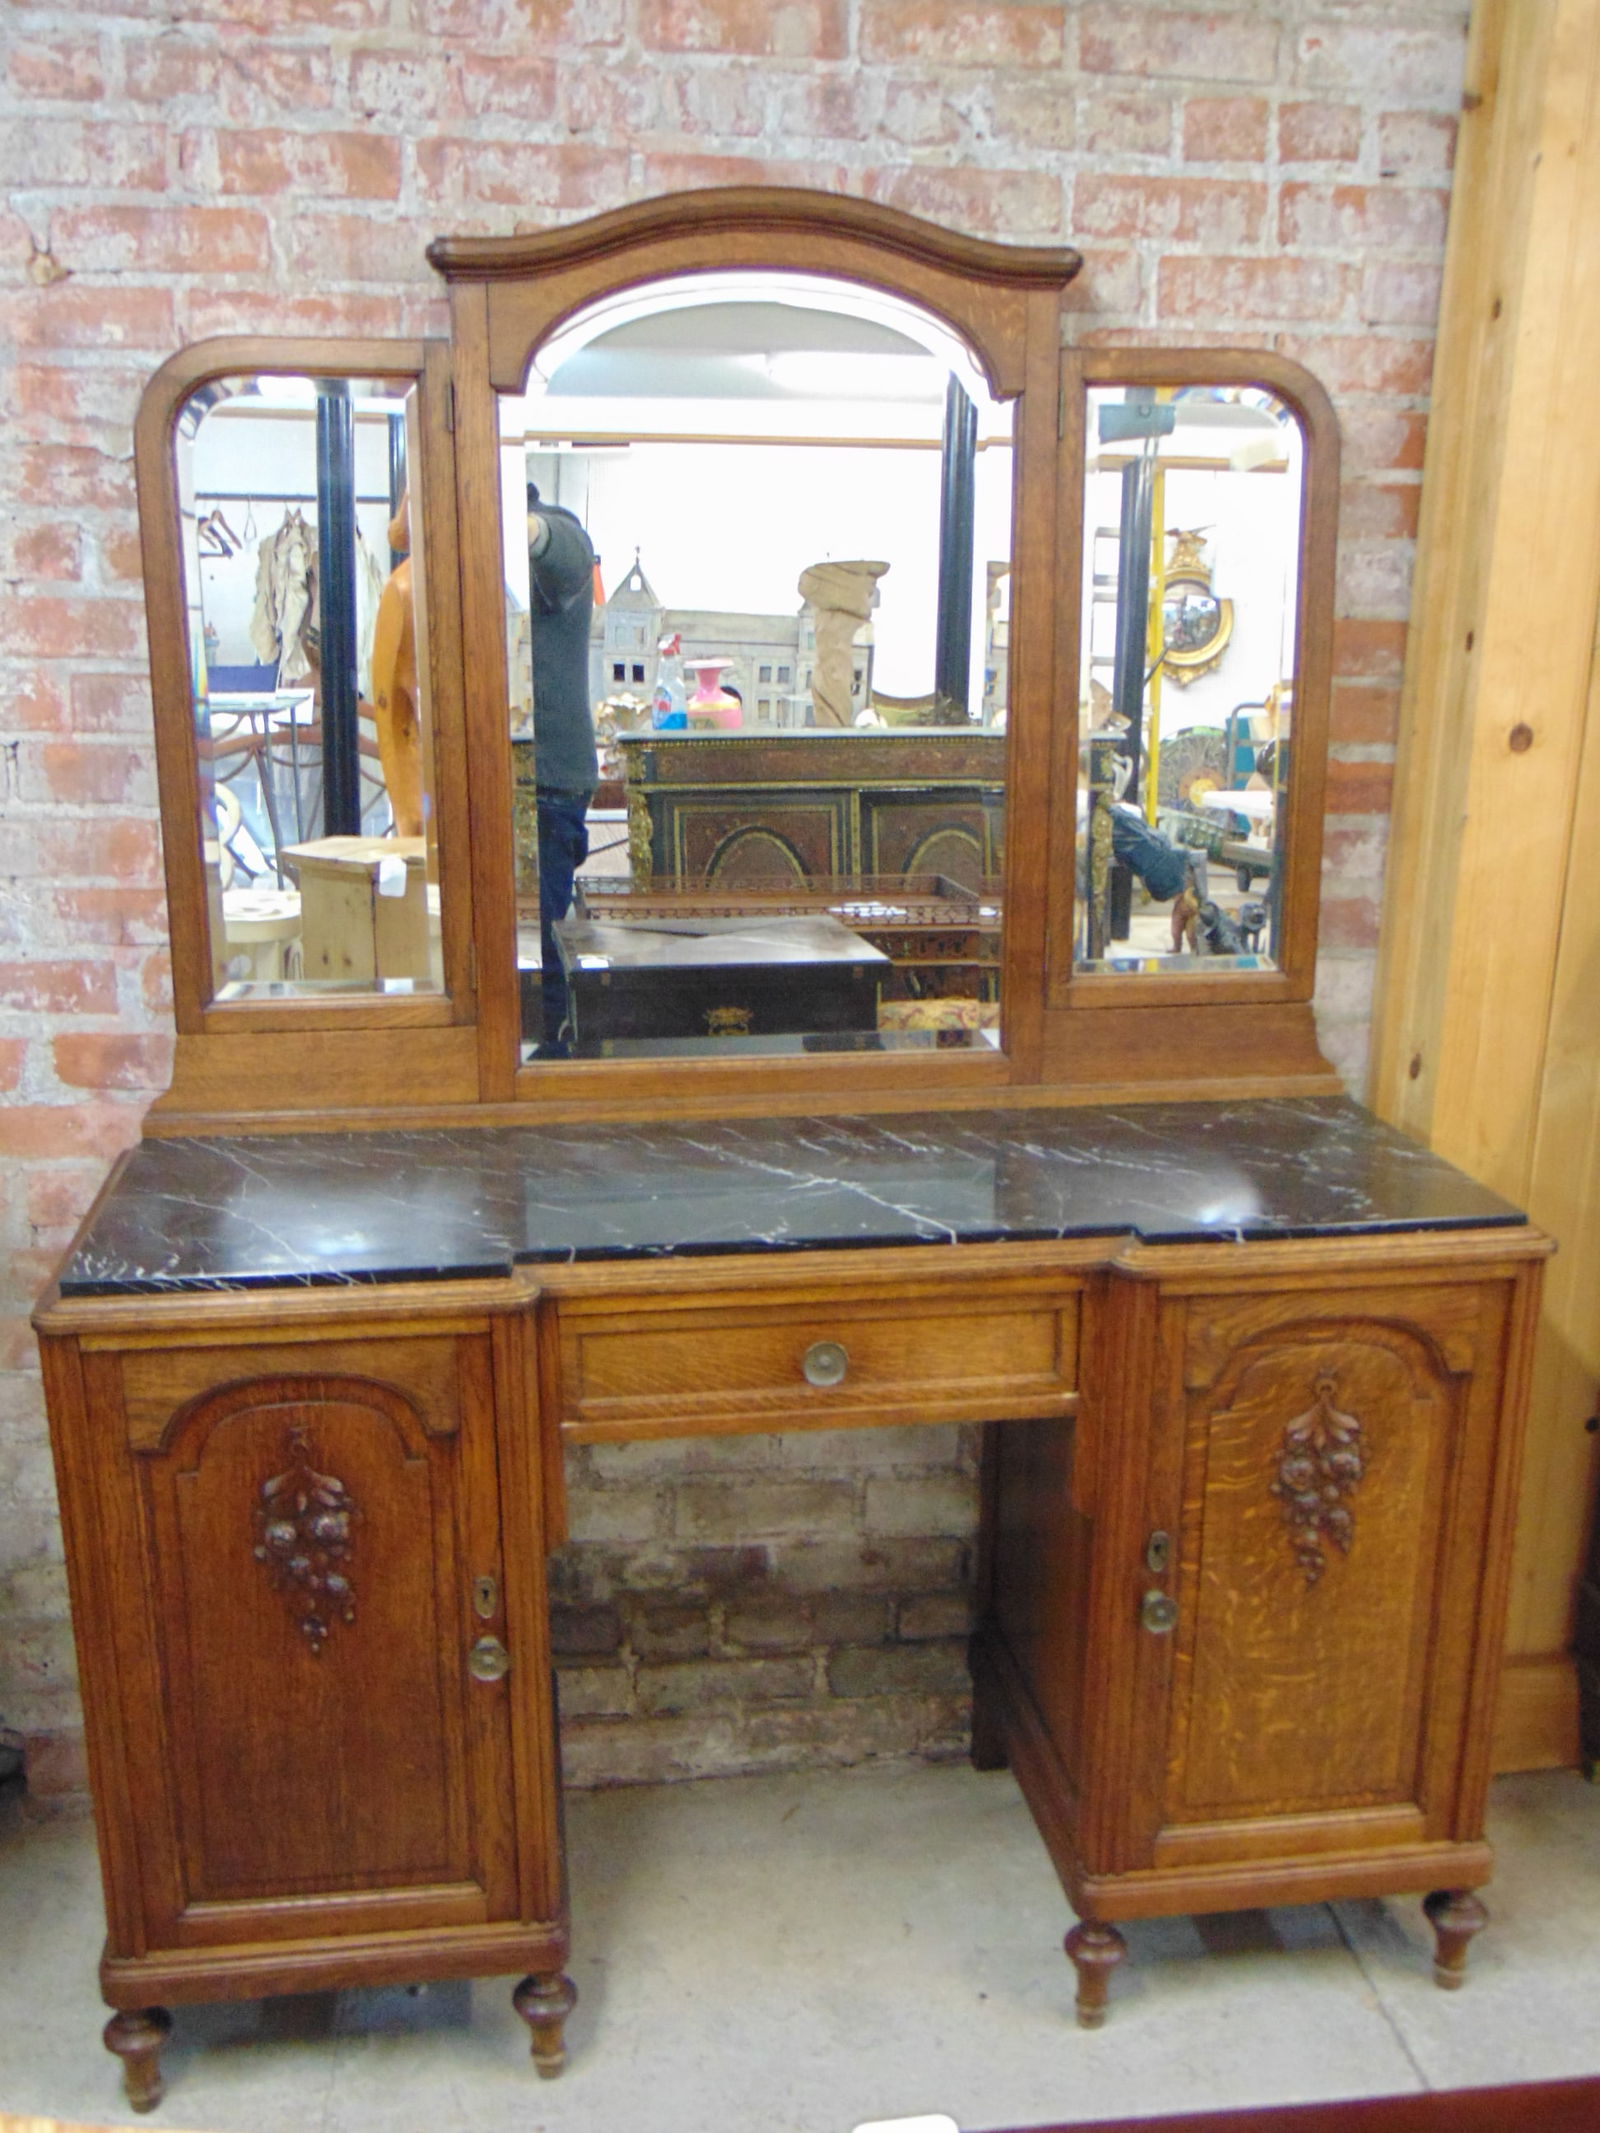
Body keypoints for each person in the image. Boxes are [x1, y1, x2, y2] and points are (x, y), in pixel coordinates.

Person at [526, 482, 599, 1053]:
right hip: (522, 775)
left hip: (547, 779)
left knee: (547, 944)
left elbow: (563, 551)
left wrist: (521, 529)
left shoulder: (561, 529)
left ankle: (553, 1062)